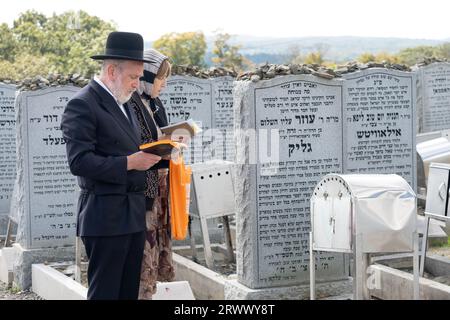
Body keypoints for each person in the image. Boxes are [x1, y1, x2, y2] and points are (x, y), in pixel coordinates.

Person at [61, 31, 163, 300]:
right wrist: (130, 163)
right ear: (111, 71)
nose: (136, 84)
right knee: (105, 294)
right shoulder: (82, 104)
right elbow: (79, 162)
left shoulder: (124, 102)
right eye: (133, 77)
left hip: (132, 214)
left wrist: (162, 153)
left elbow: (129, 148)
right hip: (104, 217)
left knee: (127, 293)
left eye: (139, 77)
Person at [127, 49, 177, 299]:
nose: (164, 84)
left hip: (160, 189)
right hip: (143, 189)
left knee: (155, 253)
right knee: (142, 256)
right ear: (146, 76)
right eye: (160, 78)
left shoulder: (155, 103)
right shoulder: (131, 103)